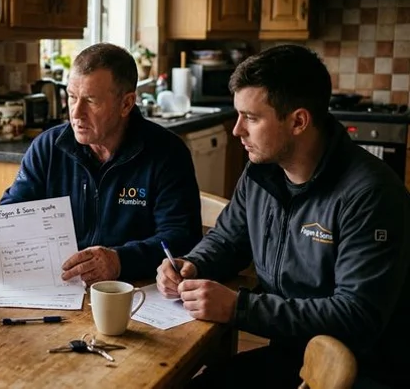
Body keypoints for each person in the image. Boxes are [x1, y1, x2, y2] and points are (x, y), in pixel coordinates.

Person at [155, 45, 410, 388]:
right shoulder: (263, 172)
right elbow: (228, 239)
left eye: (252, 118)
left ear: (298, 122)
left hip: (360, 372)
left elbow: (355, 316)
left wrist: (239, 308)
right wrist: (192, 264)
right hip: (293, 356)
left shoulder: (371, 194)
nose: (237, 131)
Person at [0, 43, 203, 285]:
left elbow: (181, 238)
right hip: (60, 287)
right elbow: (14, 208)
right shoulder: (48, 147)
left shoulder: (168, 153)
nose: (76, 113)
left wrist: (120, 260)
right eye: (71, 97)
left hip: (136, 291)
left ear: (126, 103)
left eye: (90, 101)